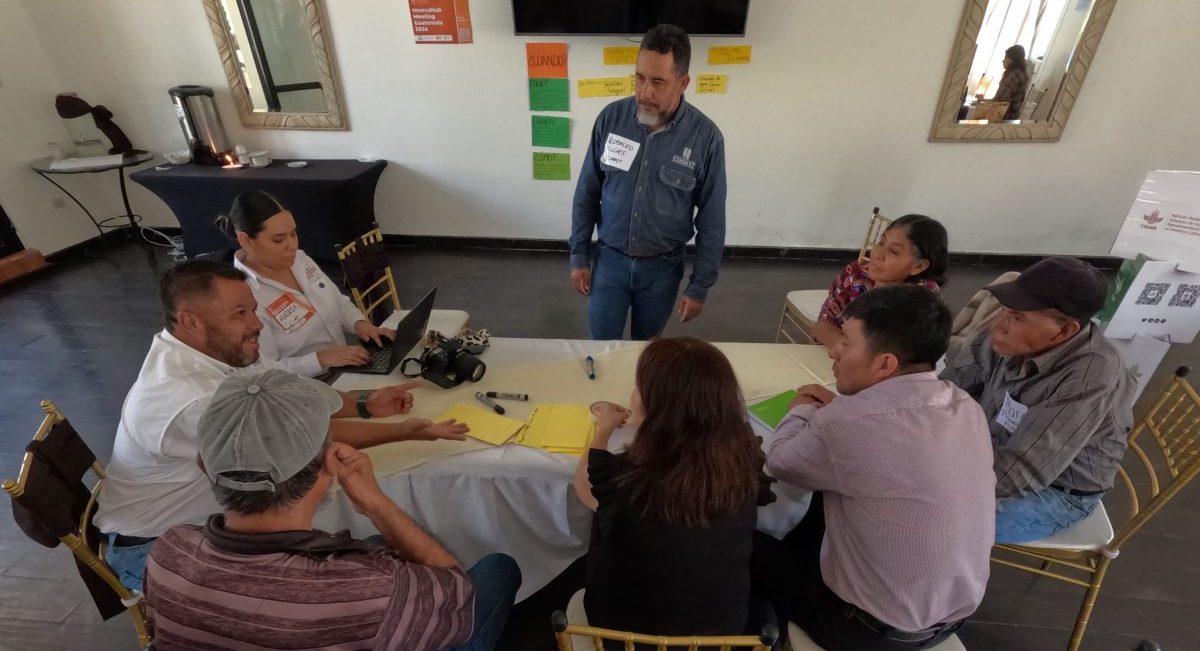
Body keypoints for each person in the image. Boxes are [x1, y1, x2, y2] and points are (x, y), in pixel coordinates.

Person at [95, 260, 468, 592]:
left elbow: (290, 403)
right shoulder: (190, 399)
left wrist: (365, 403)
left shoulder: (222, 353)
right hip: (158, 545)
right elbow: (300, 443)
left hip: (214, 525)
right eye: (239, 313)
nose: (256, 323)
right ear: (190, 320)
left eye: (253, 311)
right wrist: (407, 430)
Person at [144, 369, 520, 650]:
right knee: (499, 568)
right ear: (329, 465)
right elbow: (457, 598)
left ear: (204, 465)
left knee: (374, 543)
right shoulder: (370, 591)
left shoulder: (168, 551)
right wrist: (376, 503)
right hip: (380, 602)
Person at [754, 285, 994, 651]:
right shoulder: (964, 407)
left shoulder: (844, 424)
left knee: (740, 540)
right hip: (948, 618)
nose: (834, 351)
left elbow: (782, 461)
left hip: (862, 629)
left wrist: (801, 408)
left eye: (846, 342)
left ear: (885, 364)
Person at [572, 337, 775, 643]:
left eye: (639, 387)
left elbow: (584, 484)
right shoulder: (744, 465)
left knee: (603, 528)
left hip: (623, 636)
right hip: (719, 638)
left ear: (652, 406)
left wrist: (603, 428)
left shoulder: (622, 479)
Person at [940, 256, 1135, 544]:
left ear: (1065, 330)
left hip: (1054, 493)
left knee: (929, 522)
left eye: (1017, 317)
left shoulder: (1089, 377)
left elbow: (1021, 472)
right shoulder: (1006, 338)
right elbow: (948, 393)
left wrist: (931, 484)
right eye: (1005, 311)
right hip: (989, 451)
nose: (998, 325)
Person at [569, 24, 727, 340]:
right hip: (609, 261)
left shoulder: (706, 138)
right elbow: (588, 191)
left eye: (657, 82)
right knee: (602, 352)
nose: (644, 92)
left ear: (682, 83)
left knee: (646, 354)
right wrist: (579, 255)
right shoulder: (611, 119)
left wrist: (700, 286)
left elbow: (711, 219)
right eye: (639, 78)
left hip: (662, 271)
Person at [218, 190, 393, 376]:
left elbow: (338, 302)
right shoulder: (243, 294)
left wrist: (360, 324)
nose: (292, 245)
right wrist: (320, 359)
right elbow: (263, 370)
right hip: (304, 387)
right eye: (278, 240)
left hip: (345, 367)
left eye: (293, 234)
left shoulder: (300, 260)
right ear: (246, 240)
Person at [812, 214, 948, 349]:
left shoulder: (923, 301)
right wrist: (852, 351)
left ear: (918, 266)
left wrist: (850, 350)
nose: (877, 254)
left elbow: (902, 356)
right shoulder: (855, 274)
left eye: (894, 251)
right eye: (881, 243)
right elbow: (824, 325)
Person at [992, 44, 1030, 120]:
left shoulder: (1013, 76)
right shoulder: (1022, 74)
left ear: (1012, 60)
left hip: (1004, 117)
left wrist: (985, 102)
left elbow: (1001, 101)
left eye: (1005, 57)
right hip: (1013, 116)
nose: (1003, 61)